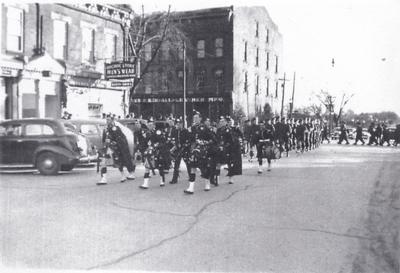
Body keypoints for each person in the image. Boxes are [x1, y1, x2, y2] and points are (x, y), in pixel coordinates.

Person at [97, 116, 135, 185]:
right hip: (107, 148)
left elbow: (120, 139)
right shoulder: (105, 129)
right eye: (106, 120)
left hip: (114, 149)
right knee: (103, 162)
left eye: (108, 120)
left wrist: (113, 142)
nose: (107, 121)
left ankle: (123, 175)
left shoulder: (116, 128)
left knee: (118, 162)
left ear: (112, 120)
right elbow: (103, 140)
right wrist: (105, 143)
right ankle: (104, 179)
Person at [184, 112, 216, 194]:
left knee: (204, 168)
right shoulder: (191, 128)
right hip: (194, 151)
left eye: (197, 117)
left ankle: (207, 183)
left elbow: (213, 139)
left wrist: (204, 142)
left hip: (203, 151)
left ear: (200, 119)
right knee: (192, 167)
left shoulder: (204, 128)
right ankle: (191, 188)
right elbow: (189, 140)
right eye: (194, 118)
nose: (195, 119)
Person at [139, 118, 171, 189]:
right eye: (148, 125)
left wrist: (155, 146)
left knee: (160, 167)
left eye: (151, 125)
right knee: (147, 167)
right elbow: (143, 143)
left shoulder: (158, 132)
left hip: (157, 152)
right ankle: (145, 183)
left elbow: (162, 142)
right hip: (149, 153)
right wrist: (143, 150)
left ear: (154, 125)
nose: (149, 126)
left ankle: (162, 180)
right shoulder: (146, 134)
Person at [168, 118, 191, 184]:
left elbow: (188, 140)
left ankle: (190, 176)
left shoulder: (185, 131)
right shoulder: (175, 131)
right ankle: (174, 179)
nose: (178, 125)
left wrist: (185, 146)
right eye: (177, 124)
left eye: (179, 124)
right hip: (178, 149)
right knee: (176, 164)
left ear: (182, 124)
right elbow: (174, 140)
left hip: (184, 149)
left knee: (188, 163)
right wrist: (174, 147)